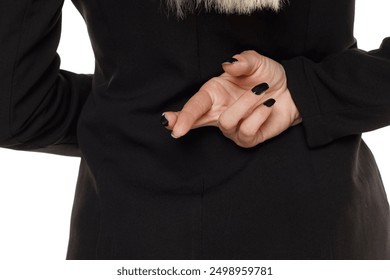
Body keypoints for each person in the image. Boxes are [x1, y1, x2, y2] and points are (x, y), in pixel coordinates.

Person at [0, 0, 389, 260]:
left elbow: (14, 109)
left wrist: (128, 109)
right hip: (324, 225)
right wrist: (310, 93)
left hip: (130, 229)